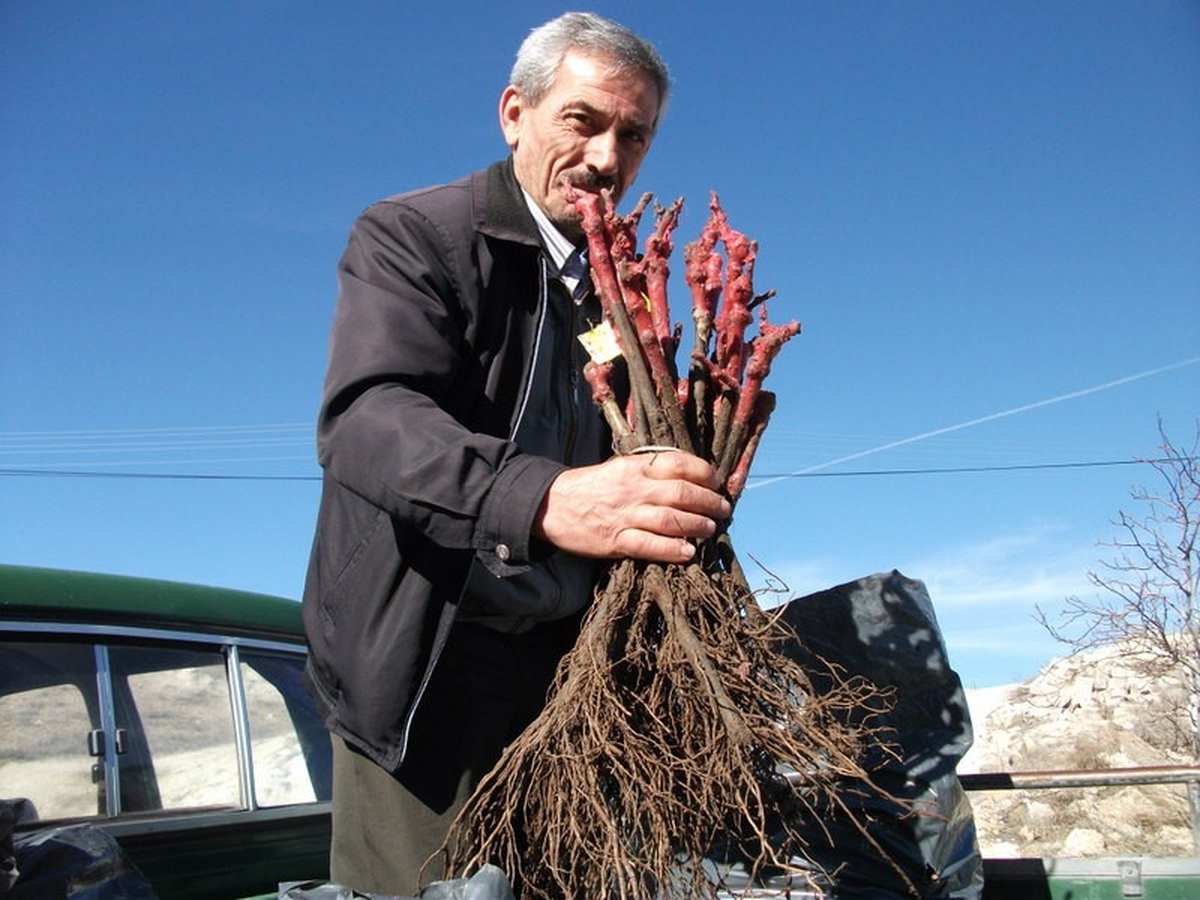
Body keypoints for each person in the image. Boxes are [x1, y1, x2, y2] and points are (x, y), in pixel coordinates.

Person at [301, 12, 731, 895]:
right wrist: (545, 500)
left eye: (635, 135)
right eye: (584, 120)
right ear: (515, 113)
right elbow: (368, 417)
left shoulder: (619, 298)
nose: (608, 159)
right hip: (430, 674)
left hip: (575, 682)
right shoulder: (417, 236)